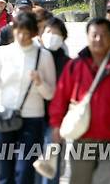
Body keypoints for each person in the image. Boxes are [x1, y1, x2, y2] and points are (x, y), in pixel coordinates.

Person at [50, 18, 110, 184]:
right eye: (95, 35)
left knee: (105, 180)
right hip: (83, 138)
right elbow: (60, 98)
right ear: (88, 37)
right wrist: (56, 126)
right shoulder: (75, 66)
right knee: (80, 180)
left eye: (103, 35)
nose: (99, 39)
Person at [0, 12, 56, 184]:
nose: (22, 36)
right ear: (12, 30)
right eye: (18, 31)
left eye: (27, 32)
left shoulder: (44, 56)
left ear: (34, 33)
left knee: (25, 172)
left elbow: (51, 93)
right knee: (5, 173)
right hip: (3, 116)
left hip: (32, 120)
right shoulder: (2, 53)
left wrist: (39, 83)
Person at [37, 17, 70, 184]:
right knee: (34, 162)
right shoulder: (34, 57)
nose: (51, 36)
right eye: (48, 32)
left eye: (56, 33)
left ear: (63, 37)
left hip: (56, 119)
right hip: (32, 115)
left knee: (51, 163)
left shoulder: (68, 63)